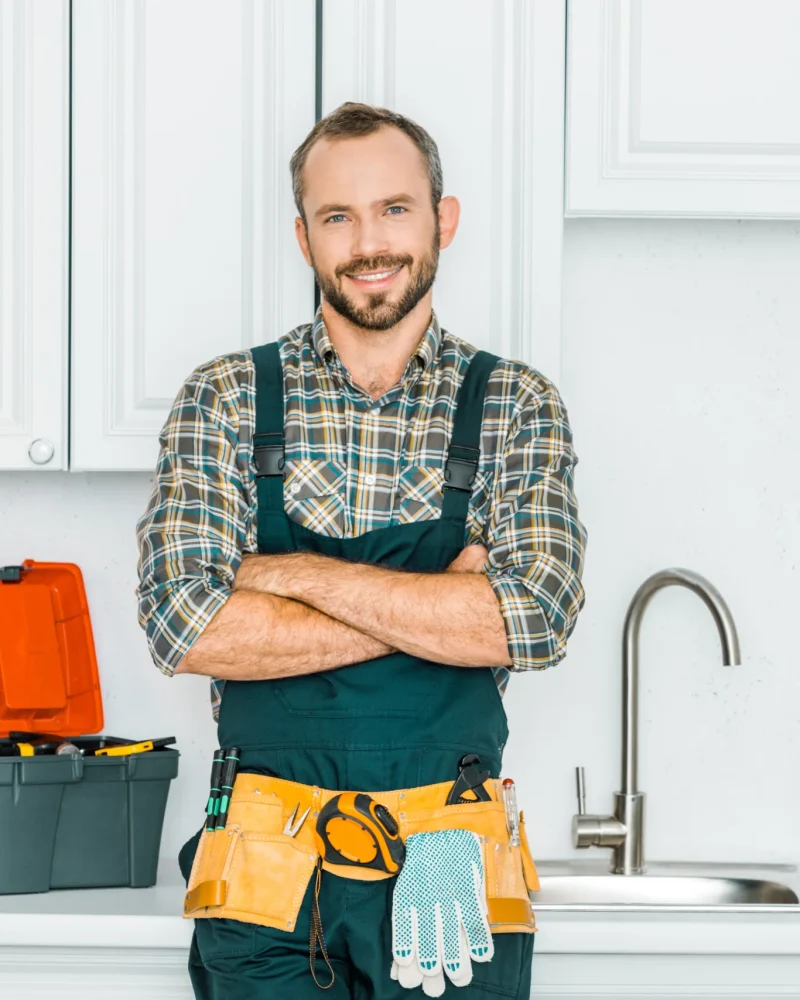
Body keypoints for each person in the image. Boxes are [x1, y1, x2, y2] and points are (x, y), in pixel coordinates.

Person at [136, 101, 587, 1000]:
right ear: (303, 238)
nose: (368, 241)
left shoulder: (515, 404)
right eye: (337, 216)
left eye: (394, 209)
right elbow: (186, 628)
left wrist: (287, 577)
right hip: (263, 866)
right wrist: (438, 607)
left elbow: (531, 620)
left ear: (442, 220)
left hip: (447, 850)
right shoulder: (225, 396)